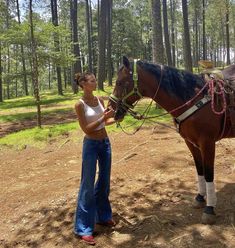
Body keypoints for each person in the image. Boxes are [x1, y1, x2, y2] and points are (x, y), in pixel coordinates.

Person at [74, 72, 116, 245]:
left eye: (95, 80)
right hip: (90, 145)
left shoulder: (99, 99)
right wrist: (103, 117)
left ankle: (103, 216)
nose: (95, 82)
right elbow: (87, 129)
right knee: (87, 185)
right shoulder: (79, 104)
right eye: (91, 81)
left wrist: (118, 117)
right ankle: (83, 228)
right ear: (83, 84)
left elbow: (106, 122)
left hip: (105, 143)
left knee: (104, 182)